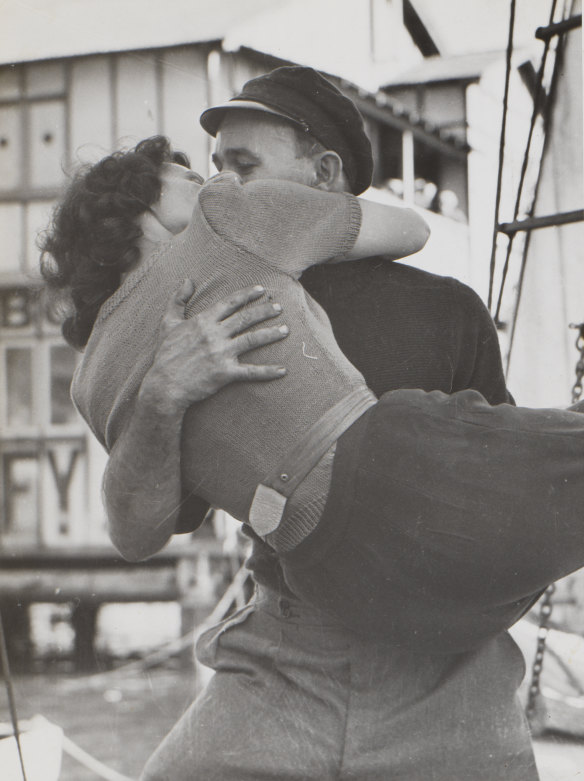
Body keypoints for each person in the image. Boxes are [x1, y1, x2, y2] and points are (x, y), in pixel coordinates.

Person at [46, 67, 583, 780]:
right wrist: (162, 396)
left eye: (242, 167)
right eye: (211, 172)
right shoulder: (199, 304)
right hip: (287, 658)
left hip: (445, 676)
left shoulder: (448, 309)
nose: (220, 189)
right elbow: (136, 530)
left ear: (323, 172)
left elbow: (500, 497)